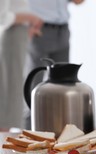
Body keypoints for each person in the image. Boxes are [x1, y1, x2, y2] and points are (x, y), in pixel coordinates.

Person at [24, 0, 85, 129]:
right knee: (34, 83)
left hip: (62, 29)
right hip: (38, 28)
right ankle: (29, 135)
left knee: (63, 84)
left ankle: (59, 134)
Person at [0, 0, 42, 131]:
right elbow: (2, 15)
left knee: (14, 92)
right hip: (13, 31)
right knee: (11, 93)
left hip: (20, 31)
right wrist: (29, 18)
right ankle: (4, 148)